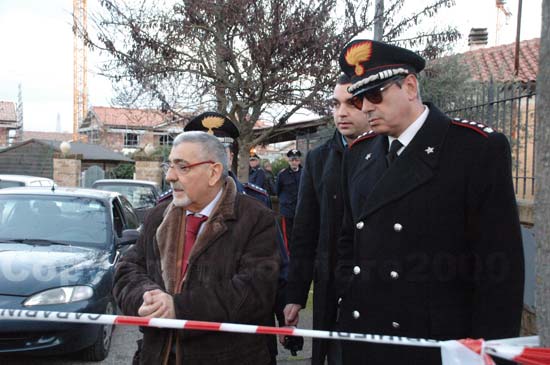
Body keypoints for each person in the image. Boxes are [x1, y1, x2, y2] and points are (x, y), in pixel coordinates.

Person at [335, 39, 525, 365]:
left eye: (376, 95)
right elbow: (347, 240)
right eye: (360, 97)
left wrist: (490, 353)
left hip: (436, 342)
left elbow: (500, 267)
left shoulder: (475, 149)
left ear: (409, 86)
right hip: (367, 336)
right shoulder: (360, 153)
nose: (365, 107)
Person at [113, 131, 280, 365]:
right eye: (168, 165)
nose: (170, 176)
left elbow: (255, 292)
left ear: (213, 173)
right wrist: (147, 299)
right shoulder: (157, 217)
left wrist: (178, 308)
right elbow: (127, 270)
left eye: (183, 167)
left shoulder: (256, 219)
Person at [283, 73, 370, 365]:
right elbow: (304, 231)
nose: (341, 112)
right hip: (330, 286)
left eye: (352, 103)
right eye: (336, 104)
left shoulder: (389, 154)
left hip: (375, 286)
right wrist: (295, 294)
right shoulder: (319, 159)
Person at [276, 149, 303, 252]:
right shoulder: (282, 175)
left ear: (299, 161)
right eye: (292, 160)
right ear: (288, 161)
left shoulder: (304, 173)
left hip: (300, 209)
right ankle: (288, 255)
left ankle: (299, 253)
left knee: (300, 233)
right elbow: (277, 191)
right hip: (287, 210)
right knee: (287, 235)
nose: (294, 162)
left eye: (296, 160)